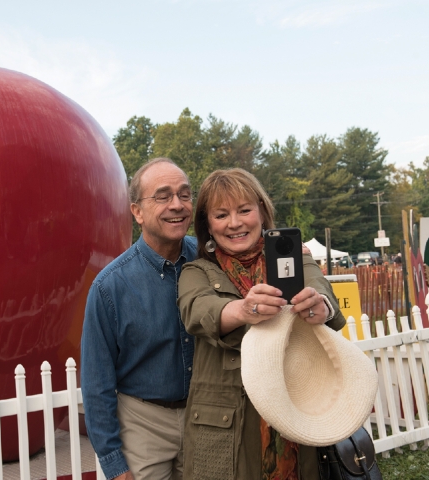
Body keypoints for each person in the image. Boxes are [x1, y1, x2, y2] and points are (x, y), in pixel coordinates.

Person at [177, 168, 346, 480]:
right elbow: (198, 311)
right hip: (224, 428)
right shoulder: (196, 271)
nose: (235, 223)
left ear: (262, 212)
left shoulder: (296, 259)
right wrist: (243, 309)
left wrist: (319, 306)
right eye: (221, 214)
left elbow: (322, 292)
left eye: (244, 210)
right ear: (208, 225)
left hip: (295, 411)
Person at [81, 158, 198, 480]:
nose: (177, 205)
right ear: (137, 211)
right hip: (143, 423)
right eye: (162, 196)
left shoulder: (212, 260)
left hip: (207, 417)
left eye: (185, 194)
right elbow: (96, 383)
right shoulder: (110, 287)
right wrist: (114, 464)